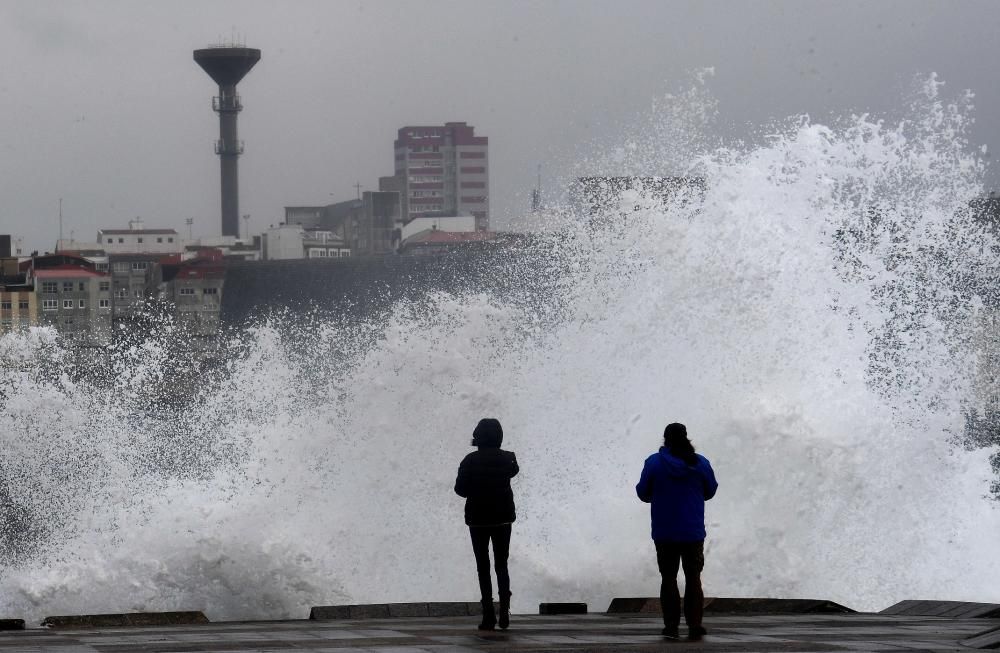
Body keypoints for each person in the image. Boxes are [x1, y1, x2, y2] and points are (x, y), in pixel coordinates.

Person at [636, 422, 718, 641]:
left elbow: (643, 492)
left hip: (665, 531)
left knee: (668, 578)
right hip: (692, 531)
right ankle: (695, 625)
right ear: (686, 437)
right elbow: (710, 490)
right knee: (694, 578)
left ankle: (671, 626)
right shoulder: (700, 463)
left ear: (665, 439)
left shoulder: (654, 462)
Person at [454, 418, 519, 630]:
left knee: (483, 565)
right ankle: (505, 610)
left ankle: (488, 615)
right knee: (502, 564)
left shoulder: (469, 460)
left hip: (478, 519)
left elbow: (460, 490)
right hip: (503, 518)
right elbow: (513, 472)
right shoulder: (509, 459)